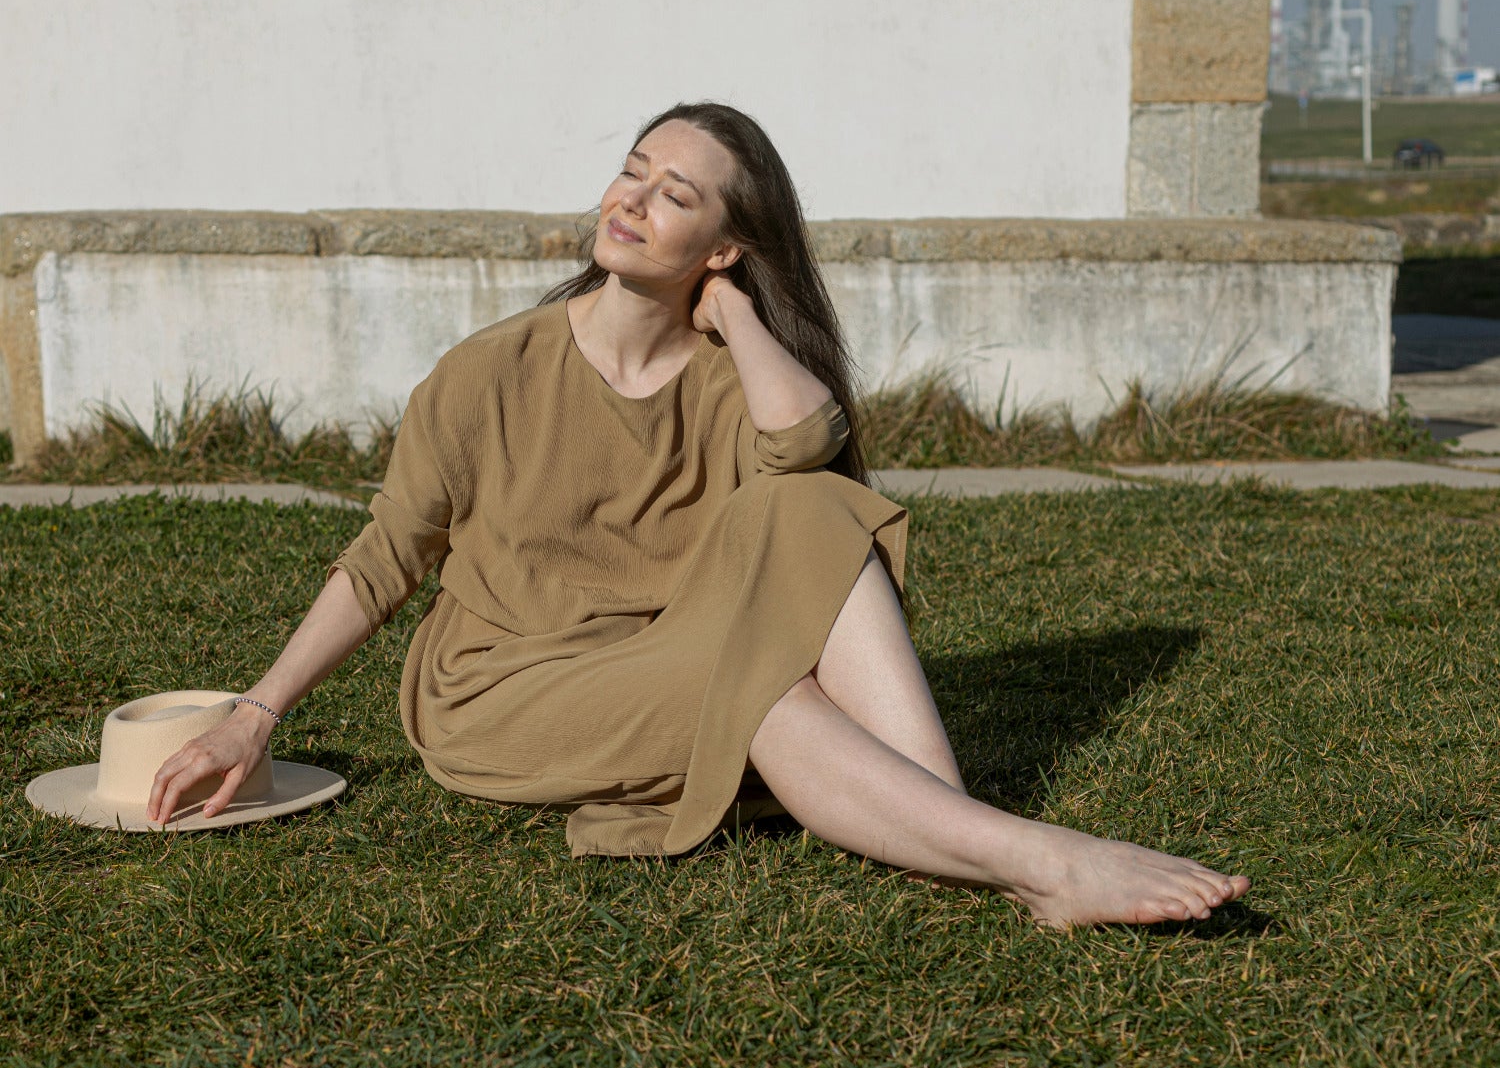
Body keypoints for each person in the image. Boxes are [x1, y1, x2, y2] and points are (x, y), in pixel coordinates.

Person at [147, 101, 1250, 927]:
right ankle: (1036, 862)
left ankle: (937, 819)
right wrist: (256, 716)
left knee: (813, 509)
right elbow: (387, 556)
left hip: (668, 654)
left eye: (675, 196)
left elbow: (805, 445)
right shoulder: (490, 372)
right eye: (631, 175)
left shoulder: (733, 375)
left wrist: (735, 317)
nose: (630, 201)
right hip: (500, 688)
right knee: (759, 682)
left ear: (723, 248)